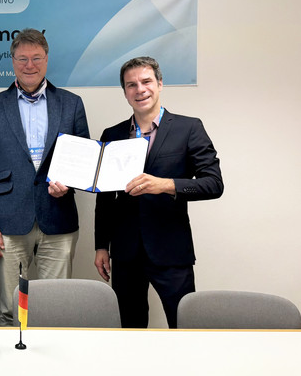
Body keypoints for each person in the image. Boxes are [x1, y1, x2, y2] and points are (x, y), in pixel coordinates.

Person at [94, 56, 224, 328]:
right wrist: (101, 246)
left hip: (171, 250)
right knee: (129, 329)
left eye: (146, 81)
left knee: (184, 326)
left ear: (160, 84)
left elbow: (213, 183)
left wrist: (165, 185)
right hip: (125, 253)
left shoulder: (189, 128)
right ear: (125, 92)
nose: (140, 89)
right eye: (131, 85)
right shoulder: (112, 134)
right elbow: (105, 200)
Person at [0, 28, 90, 325]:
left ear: (46, 60)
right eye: (22, 58)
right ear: (12, 61)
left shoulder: (71, 103)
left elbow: (84, 161)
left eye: (36, 58)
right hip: (8, 221)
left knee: (56, 308)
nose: (30, 65)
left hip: (58, 218)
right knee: (11, 309)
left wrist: (69, 185)